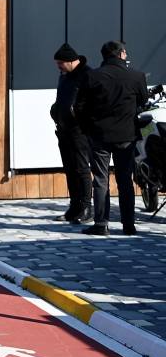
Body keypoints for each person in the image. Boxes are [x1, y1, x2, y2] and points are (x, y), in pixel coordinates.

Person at [77, 40, 148, 236]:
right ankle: (128, 225)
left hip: (99, 135)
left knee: (100, 179)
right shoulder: (136, 76)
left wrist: (87, 129)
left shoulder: (92, 76)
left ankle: (101, 224)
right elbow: (143, 101)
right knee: (125, 180)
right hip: (126, 135)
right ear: (121, 54)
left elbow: (80, 107)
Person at [50, 43, 93, 224]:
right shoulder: (64, 76)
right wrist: (54, 111)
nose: (58, 66)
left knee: (82, 169)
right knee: (69, 170)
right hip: (64, 129)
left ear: (71, 61)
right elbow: (62, 99)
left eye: (60, 63)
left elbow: (92, 102)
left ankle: (86, 208)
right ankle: (74, 206)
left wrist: (77, 115)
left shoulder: (87, 75)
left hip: (79, 131)